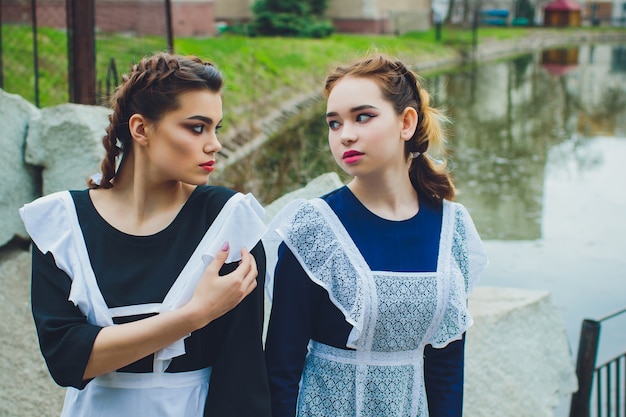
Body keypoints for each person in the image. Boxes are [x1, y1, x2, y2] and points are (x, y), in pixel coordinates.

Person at [19, 52, 272, 417]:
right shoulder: (60, 225)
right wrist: (194, 315)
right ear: (140, 129)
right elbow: (66, 358)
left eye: (217, 127)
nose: (214, 143)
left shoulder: (229, 222)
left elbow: (242, 379)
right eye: (197, 127)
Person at [263, 54, 489, 417]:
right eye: (334, 123)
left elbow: (446, 365)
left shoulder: (453, 227)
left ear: (406, 122)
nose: (345, 134)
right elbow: (281, 367)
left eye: (362, 117)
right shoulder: (314, 228)